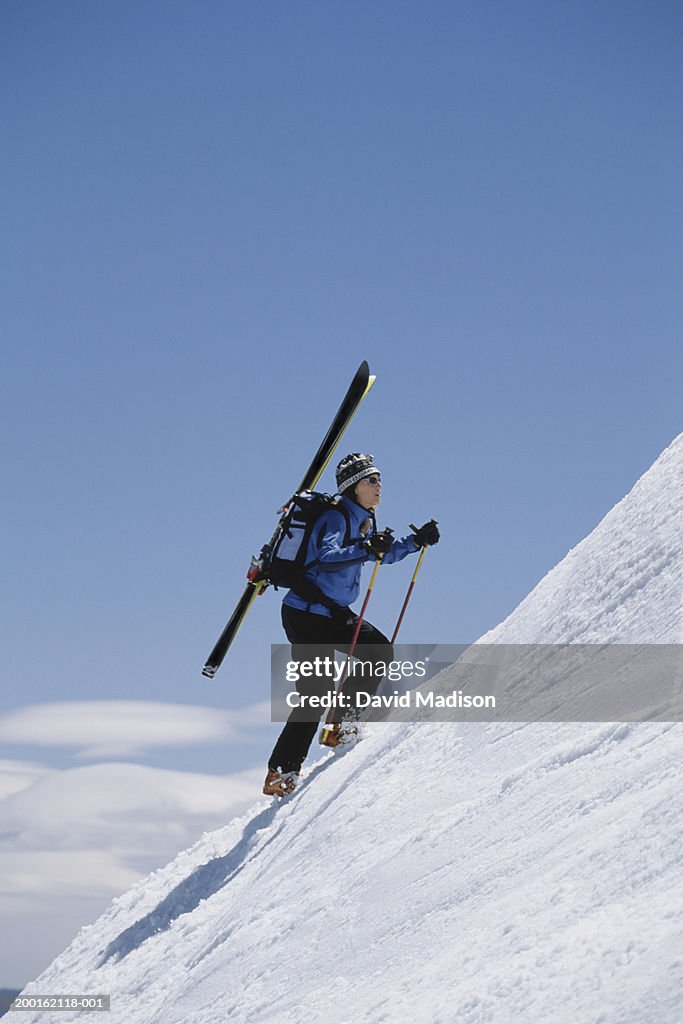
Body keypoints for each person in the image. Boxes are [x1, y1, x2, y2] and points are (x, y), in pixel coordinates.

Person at [263, 452, 439, 797]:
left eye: (379, 479)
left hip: (332, 612)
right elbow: (327, 558)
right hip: (306, 613)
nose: (379, 486)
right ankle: (281, 773)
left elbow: (380, 554)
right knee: (314, 695)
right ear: (353, 486)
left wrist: (415, 543)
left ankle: (342, 723)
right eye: (371, 480)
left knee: (378, 650)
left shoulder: (365, 519)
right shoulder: (334, 516)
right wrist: (366, 547)